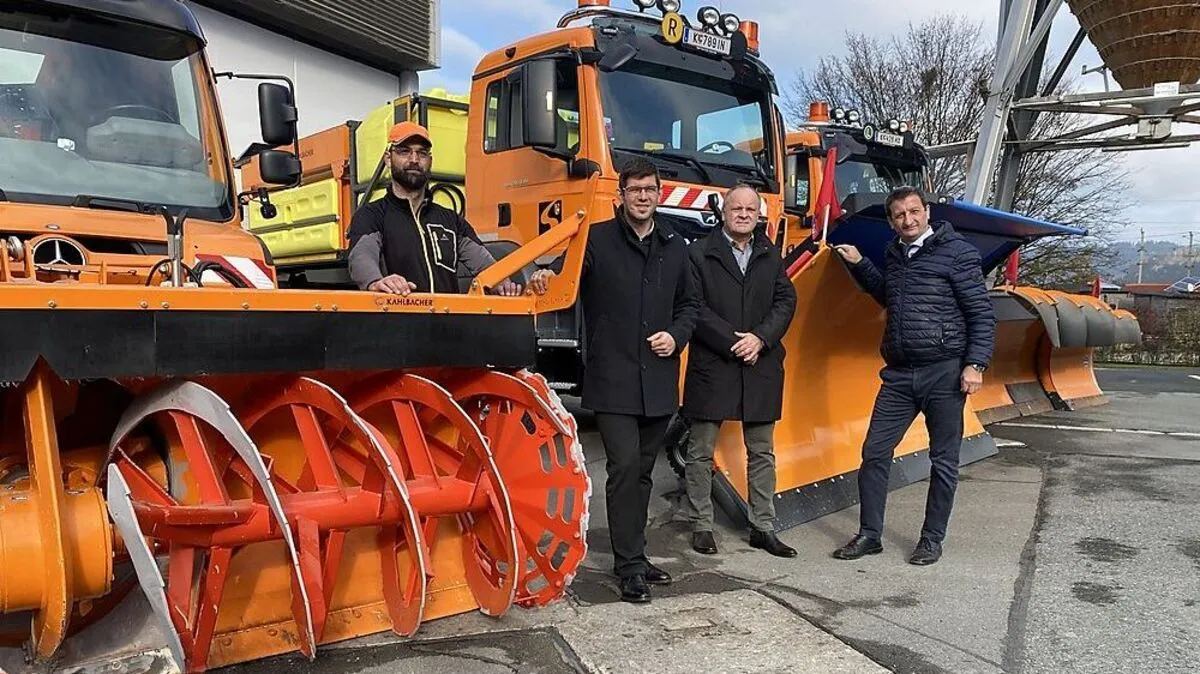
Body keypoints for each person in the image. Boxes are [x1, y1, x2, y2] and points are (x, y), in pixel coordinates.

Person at [528, 158, 700, 603]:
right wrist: (546, 275)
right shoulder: (597, 240)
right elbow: (562, 278)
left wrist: (677, 336)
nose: (643, 196)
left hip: (658, 381)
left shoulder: (675, 245)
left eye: (650, 189)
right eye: (635, 189)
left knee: (643, 472)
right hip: (613, 378)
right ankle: (629, 569)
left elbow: (690, 306)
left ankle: (636, 555)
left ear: (658, 195)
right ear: (621, 195)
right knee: (624, 468)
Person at [832, 186, 995, 566]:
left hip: (945, 373)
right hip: (900, 376)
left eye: (914, 212)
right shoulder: (895, 255)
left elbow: (981, 314)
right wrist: (859, 263)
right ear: (892, 221)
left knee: (943, 460)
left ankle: (931, 540)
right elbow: (890, 296)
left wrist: (976, 364)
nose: (908, 220)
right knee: (874, 453)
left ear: (926, 212)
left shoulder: (958, 254)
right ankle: (870, 534)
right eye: (900, 215)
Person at [680, 184, 798, 558]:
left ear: (759, 214)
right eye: (737, 208)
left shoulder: (770, 253)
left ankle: (762, 526)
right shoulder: (698, 254)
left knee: (761, 452)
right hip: (714, 364)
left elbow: (785, 299)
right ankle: (702, 524)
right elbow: (694, 307)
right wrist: (736, 341)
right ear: (724, 212)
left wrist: (760, 339)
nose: (744, 214)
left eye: (751, 209)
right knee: (700, 451)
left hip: (760, 363)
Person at [348, 121, 523, 296]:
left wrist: (501, 281)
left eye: (422, 153)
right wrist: (376, 282)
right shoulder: (371, 216)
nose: (414, 159)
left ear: (430, 161)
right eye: (404, 151)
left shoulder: (451, 221)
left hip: (446, 321)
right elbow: (361, 256)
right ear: (388, 158)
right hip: (397, 322)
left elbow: (485, 264)